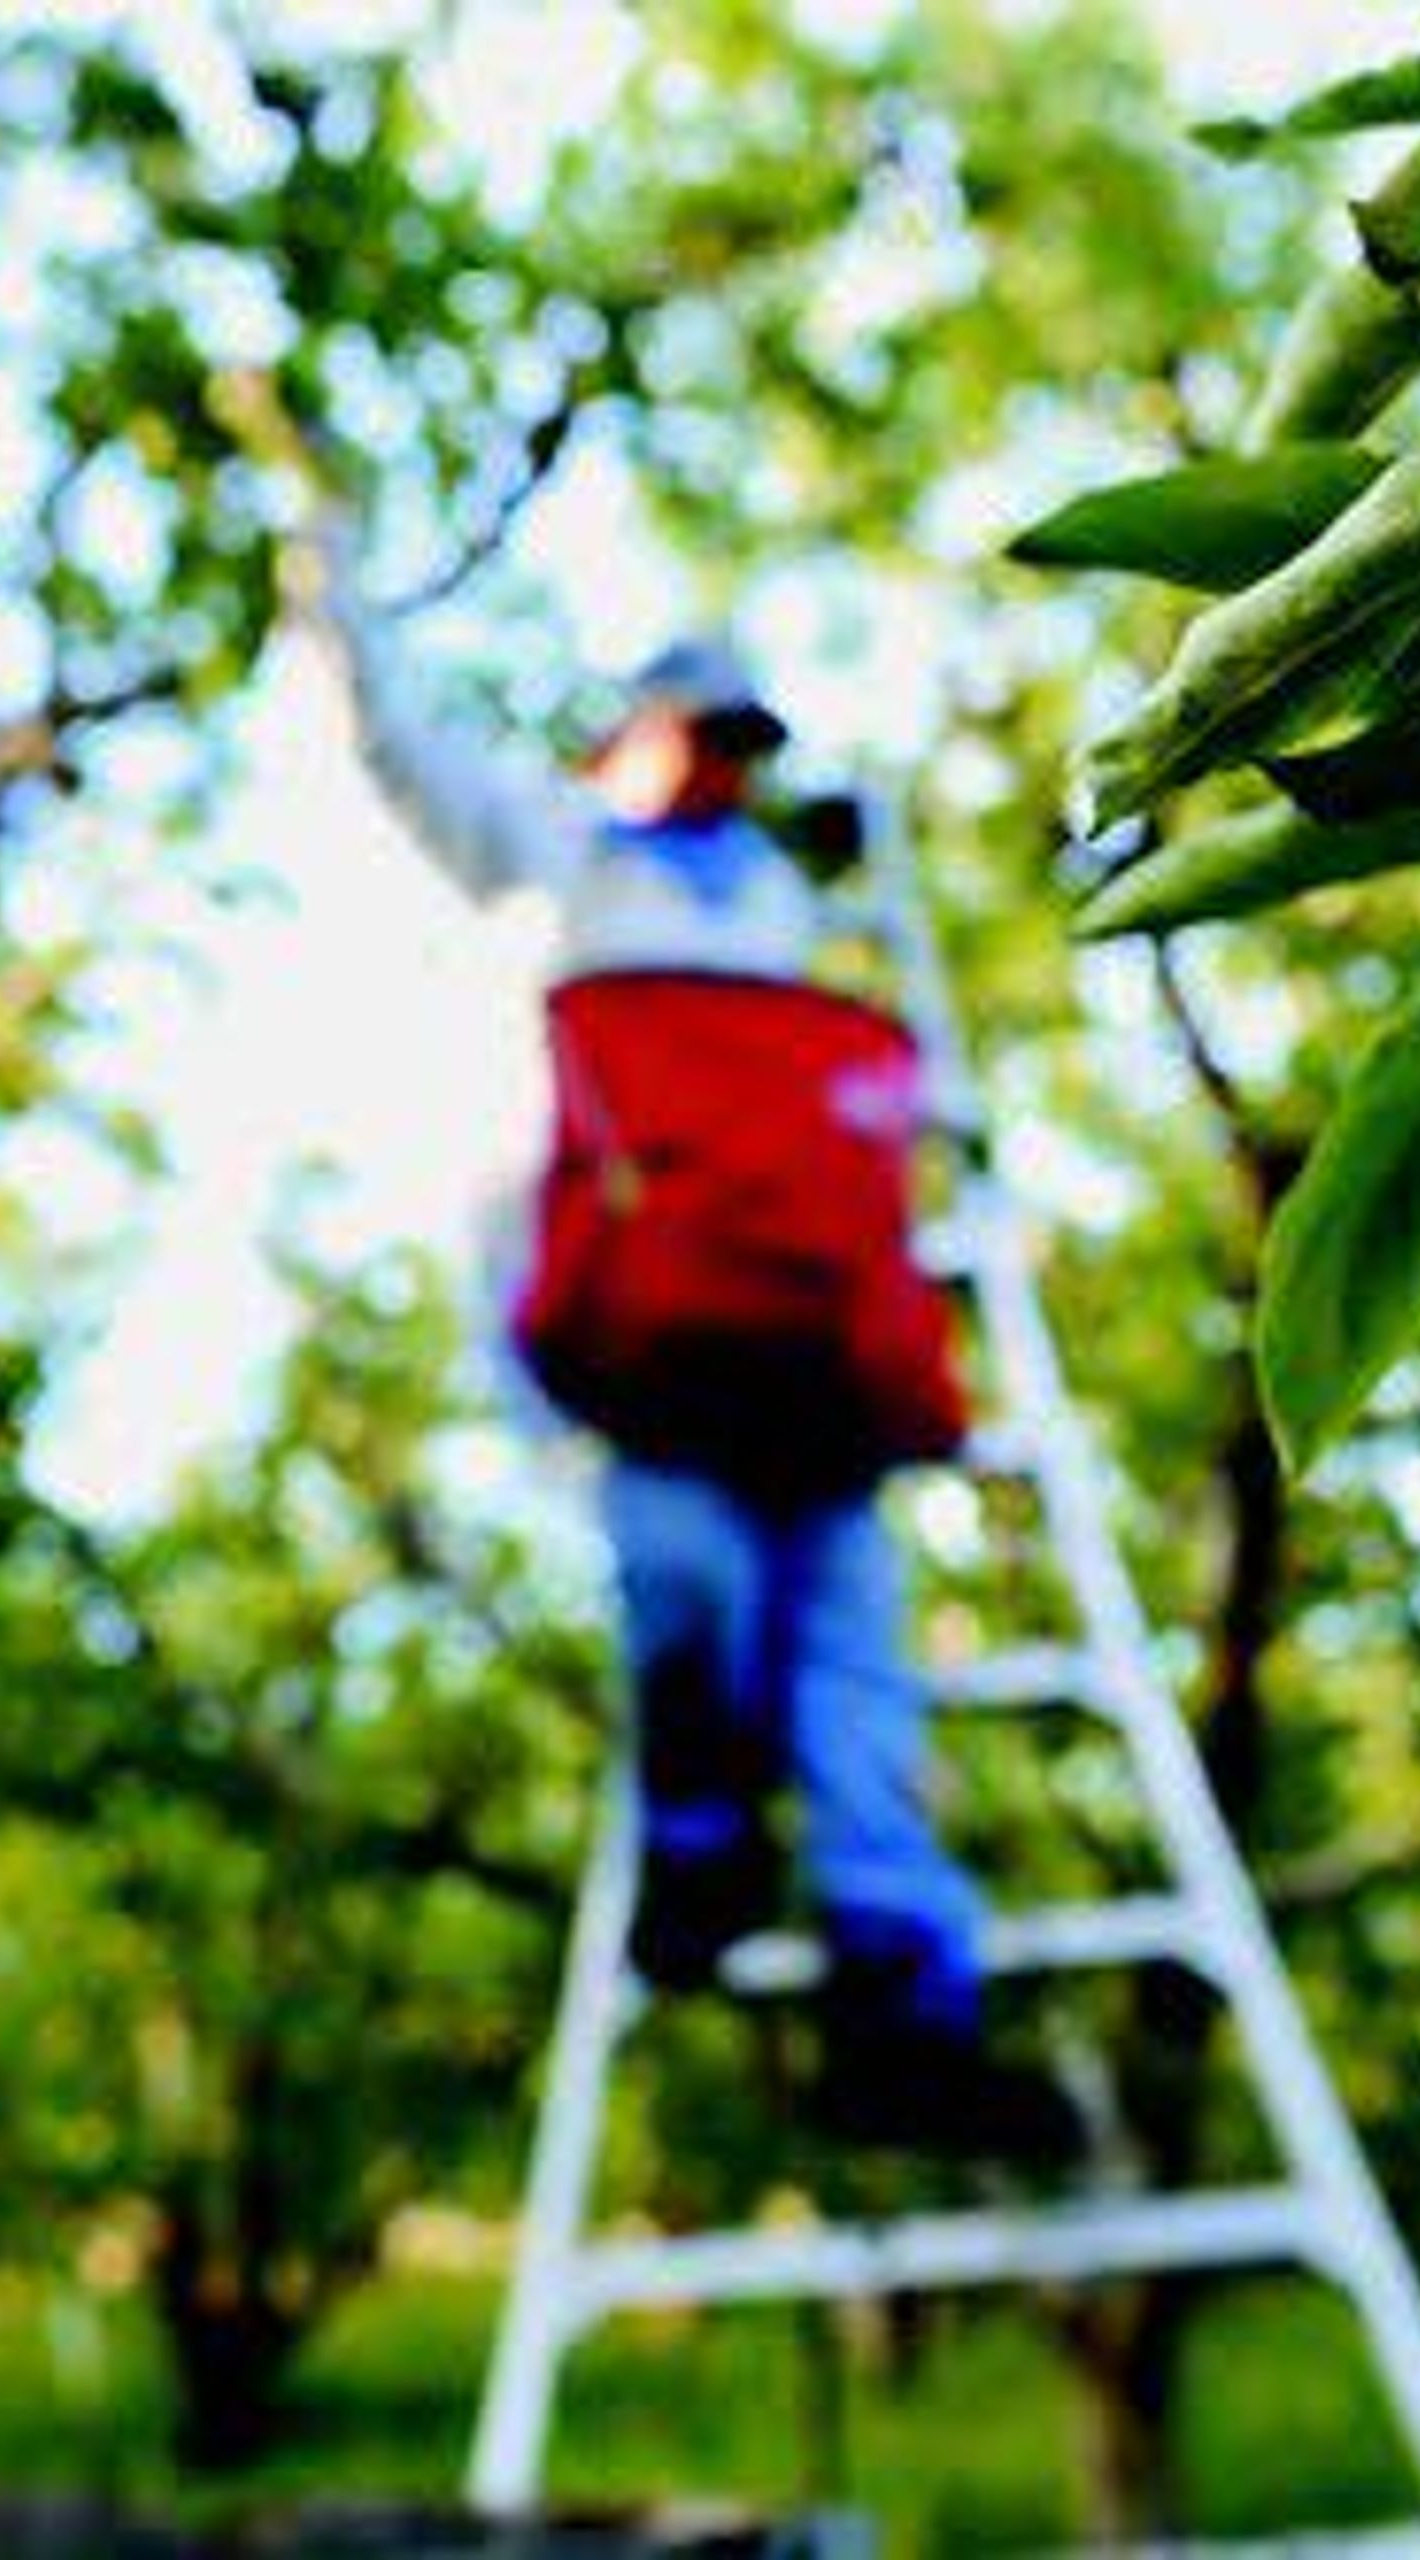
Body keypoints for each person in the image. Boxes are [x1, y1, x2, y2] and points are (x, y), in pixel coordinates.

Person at [297, 521, 1085, 2169]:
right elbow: (393, 755)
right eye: (703, 738)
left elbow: (840, 1106)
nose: (726, 772)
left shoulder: (785, 901)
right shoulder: (554, 855)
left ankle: (906, 2008)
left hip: (800, 1335)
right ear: (630, 736)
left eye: (747, 748)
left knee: (858, 1657)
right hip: (640, 1322)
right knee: (690, 1593)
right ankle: (702, 1846)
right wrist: (330, 590)